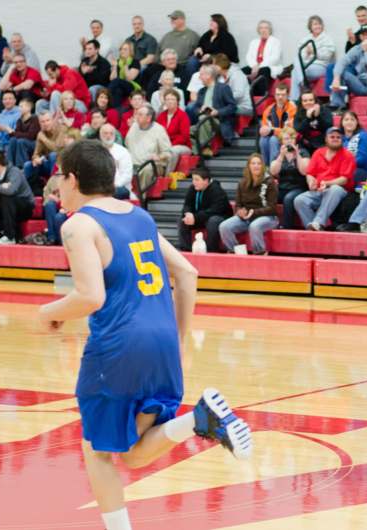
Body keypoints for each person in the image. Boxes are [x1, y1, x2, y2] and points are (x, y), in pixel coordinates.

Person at [36, 140, 252, 530]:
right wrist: (179, 339)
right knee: (133, 453)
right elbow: (187, 273)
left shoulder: (78, 225)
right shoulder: (139, 216)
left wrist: (48, 312)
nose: (57, 186)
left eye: (59, 176)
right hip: (161, 344)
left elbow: (90, 295)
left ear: (73, 179)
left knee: (96, 450)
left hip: (117, 347)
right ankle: (198, 419)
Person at [294, 127, 355, 230]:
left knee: (335, 189)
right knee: (299, 200)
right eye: (332, 137)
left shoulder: (348, 155)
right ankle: (314, 229)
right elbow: (310, 173)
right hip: (319, 190)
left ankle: (318, 222)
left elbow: (344, 180)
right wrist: (311, 182)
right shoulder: (318, 152)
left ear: (342, 139)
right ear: (326, 139)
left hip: (340, 191)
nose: (335, 139)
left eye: (338, 137)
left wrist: (327, 183)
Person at [219, 154, 278, 255]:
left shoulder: (270, 182)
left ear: (263, 166)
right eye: (253, 163)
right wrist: (240, 211)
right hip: (246, 218)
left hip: (268, 217)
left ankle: (260, 253)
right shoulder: (242, 183)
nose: (256, 166)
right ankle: (236, 252)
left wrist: (253, 212)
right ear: (249, 166)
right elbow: (238, 204)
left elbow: (272, 208)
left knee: (254, 226)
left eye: (259, 163)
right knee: (224, 226)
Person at [329, 25, 367, 114]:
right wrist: (336, 78)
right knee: (341, 72)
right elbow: (342, 61)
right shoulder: (357, 48)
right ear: (361, 37)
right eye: (364, 35)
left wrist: (366, 51)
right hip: (361, 85)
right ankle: (337, 106)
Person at [177, 166, 231, 252]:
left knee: (213, 221)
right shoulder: (193, 188)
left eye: (197, 180)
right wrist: (188, 214)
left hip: (219, 217)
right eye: (193, 179)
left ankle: (211, 251)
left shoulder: (217, 191)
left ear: (206, 180)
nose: (194, 182)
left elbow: (214, 211)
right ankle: (186, 250)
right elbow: (187, 205)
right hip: (200, 217)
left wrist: (195, 217)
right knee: (182, 220)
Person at [187, 65, 238, 148]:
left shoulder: (223, 88)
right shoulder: (201, 91)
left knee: (203, 118)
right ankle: (199, 151)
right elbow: (195, 108)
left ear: (208, 76)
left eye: (201, 75)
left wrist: (217, 112)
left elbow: (233, 107)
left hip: (220, 121)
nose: (199, 78)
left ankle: (205, 148)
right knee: (186, 131)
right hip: (203, 120)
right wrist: (200, 110)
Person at [270, 127, 309, 229]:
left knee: (288, 198)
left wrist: (297, 155)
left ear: (295, 140)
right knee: (269, 195)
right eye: (286, 139)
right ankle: (269, 221)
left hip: (299, 187)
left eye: (291, 138)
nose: (289, 141)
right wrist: (281, 156)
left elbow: (304, 171)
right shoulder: (279, 155)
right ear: (282, 141)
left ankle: (287, 226)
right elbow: (273, 172)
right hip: (283, 187)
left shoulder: (303, 152)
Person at [289, 15, 336, 101]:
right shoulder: (305, 39)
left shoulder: (327, 39)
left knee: (294, 72)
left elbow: (327, 56)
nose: (318, 26)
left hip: (320, 67)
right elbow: (301, 57)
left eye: (319, 24)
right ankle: (303, 82)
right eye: (315, 24)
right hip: (306, 66)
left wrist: (314, 52)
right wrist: (307, 54)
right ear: (310, 27)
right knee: (296, 60)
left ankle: (294, 100)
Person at [25, 112, 66, 196]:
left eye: (47, 120)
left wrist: (43, 139)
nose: (45, 123)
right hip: (46, 163)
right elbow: (36, 153)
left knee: (53, 155)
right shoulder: (41, 134)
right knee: (27, 165)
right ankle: (28, 192)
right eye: (42, 122)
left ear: (52, 120)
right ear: (39, 123)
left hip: (59, 164)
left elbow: (56, 149)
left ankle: (52, 187)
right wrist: (36, 159)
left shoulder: (61, 129)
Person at [243, 20, 282, 97]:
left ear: (270, 30)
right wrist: (254, 66)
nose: (263, 30)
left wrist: (259, 66)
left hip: (268, 66)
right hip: (254, 66)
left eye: (266, 28)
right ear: (258, 30)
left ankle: (260, 96)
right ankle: (247, 95)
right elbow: (249, 56)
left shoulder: (275, 41)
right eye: (261, 28)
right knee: (242, 71)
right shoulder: (253, 42)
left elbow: (275, 58)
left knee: (263, 70)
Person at [259, 84, 296, 165]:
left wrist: (272, 131)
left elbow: (290, 131)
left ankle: (273, 167)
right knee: (263, 140)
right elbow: (264, 128)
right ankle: (266, 167)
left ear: (288, 95)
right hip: (274, 136)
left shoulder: (292, 108)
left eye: (283, 95)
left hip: (288, 138)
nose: (280, 97)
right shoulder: (268, 109)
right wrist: (262, 130)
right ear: (275, 95)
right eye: (278, 94)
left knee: (273, 139)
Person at [156, 89, 192, 175]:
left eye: (172, 99)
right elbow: (156, 133)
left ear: (177, 101)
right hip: (164, 145)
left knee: (173, 151)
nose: (169, 101)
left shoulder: (183, 115)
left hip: (182, 146)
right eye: (167, 99)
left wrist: (169, 145)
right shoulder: (161, 116)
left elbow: (184, 137)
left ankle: (167, 176)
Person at [293, 89, 333, 155]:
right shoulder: (299, 113)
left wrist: (318, 116)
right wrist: (308, 118)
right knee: (304, 158)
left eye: (311, 100)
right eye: (305, 101)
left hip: (322, 143)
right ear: (301, 103)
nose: (308, 102)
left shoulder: (324, 110)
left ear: (315, 101)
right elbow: (298, 129)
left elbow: (329, 127)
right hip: (305, 145)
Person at [99, 124, 133, 200]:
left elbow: (127, 176)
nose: (108, 136)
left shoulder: (123, 152)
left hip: (119, 187)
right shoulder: (95, 151)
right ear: (100, 135)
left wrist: (113, 185)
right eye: (105, 133)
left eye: (111, 133)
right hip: (100, 187)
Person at [6, 97, 39, 168]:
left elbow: (31, 136)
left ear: (28, 108)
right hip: (23, 141)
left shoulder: (35, 119)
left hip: (34, 143)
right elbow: (16, 135)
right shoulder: (19, 120)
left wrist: (14, 133)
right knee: (13, 140)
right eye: (19, 106)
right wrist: (11, 133)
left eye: (21, 106)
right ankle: (9, 165)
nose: (19, 108)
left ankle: (21, 167)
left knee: (21, 141)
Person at [341, 110, 367, 184]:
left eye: (352, 120)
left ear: (357, 122)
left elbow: (362, 159)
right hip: (343, 169)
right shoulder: (339, 138)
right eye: (346, 120)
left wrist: (344, 165)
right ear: (342, 123)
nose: (349, 122)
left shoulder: (363, 136)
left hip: (360, 171)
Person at [108, 41, 142, 109]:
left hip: (132, 86)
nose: (122, 51)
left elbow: (129, 78)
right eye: (121, 49)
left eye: (125, 49)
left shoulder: (135, 62)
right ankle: (115, 110)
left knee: (117, 81)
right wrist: (115, 66)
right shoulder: (118, 61)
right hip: (120, 86)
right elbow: (111, 78)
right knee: (118, 90)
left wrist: (126, 65)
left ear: (130, 51)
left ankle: (106, 95)